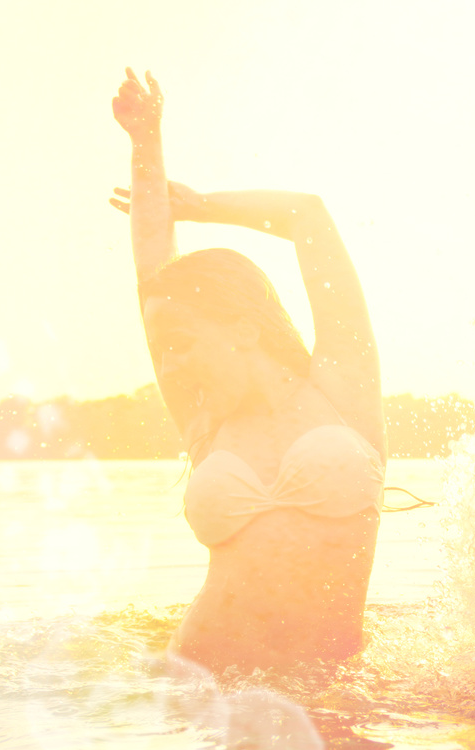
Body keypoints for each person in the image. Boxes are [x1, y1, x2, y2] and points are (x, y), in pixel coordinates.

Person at [110, 69, 384, 672]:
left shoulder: (340, 389)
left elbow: (308, 217)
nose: (170, 364)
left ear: (243, 329)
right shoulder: (204, 420)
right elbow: (151, 265)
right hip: (200, 686)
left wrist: (202, 207)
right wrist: (144, 142)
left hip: (331, 691)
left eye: (181, 343)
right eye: (163, 350)